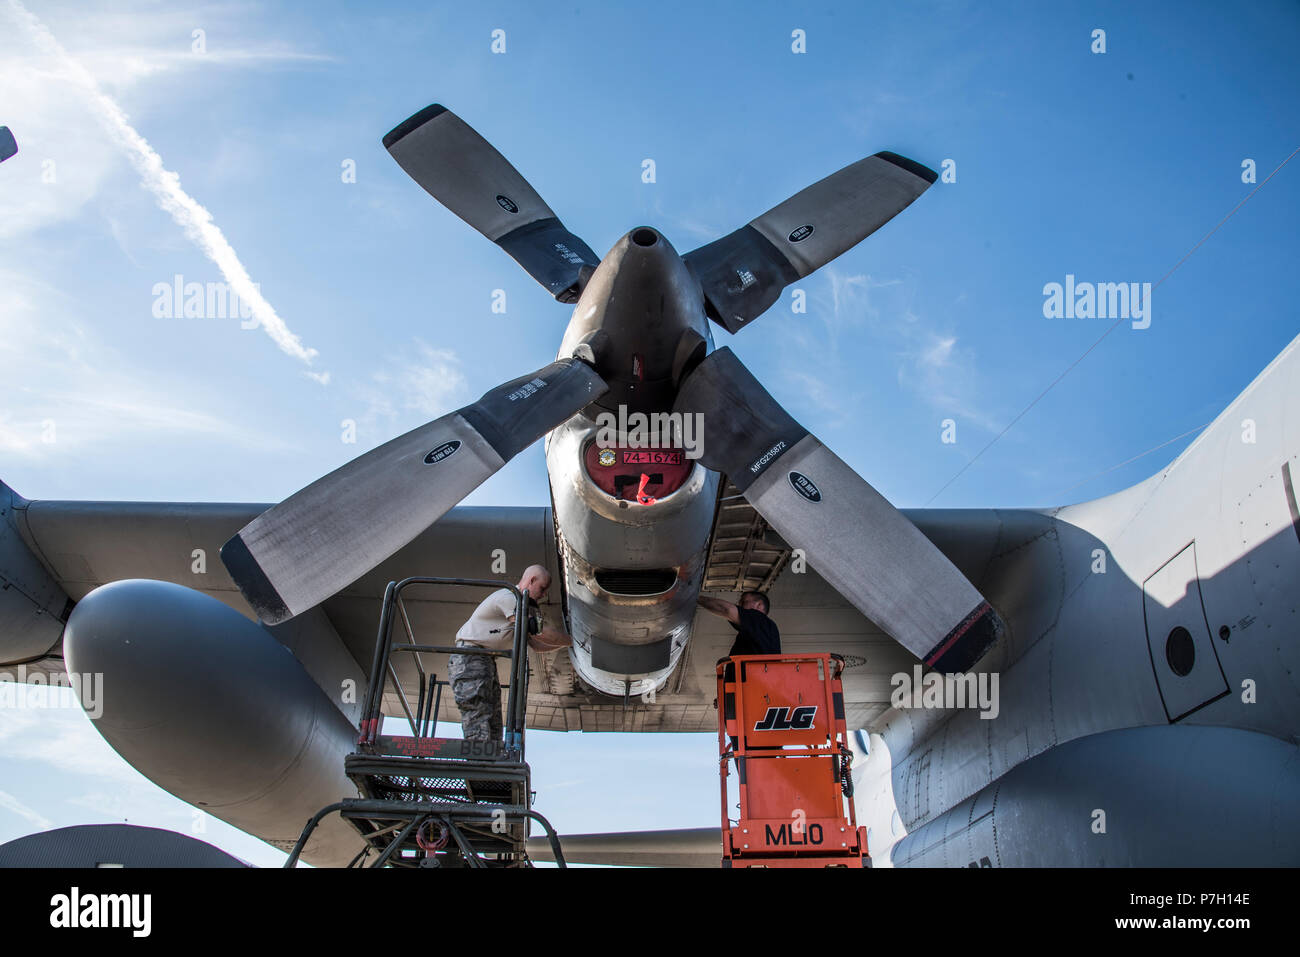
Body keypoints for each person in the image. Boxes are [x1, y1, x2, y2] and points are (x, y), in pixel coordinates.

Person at [450, 565, 571, 743]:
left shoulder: (521, 609)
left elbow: (536, 644)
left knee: (494, 722)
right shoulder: (509, 598)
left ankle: (490, 760)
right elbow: (540, 632)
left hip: (485, 661)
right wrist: (574, 641)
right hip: (470, 658)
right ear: (531, 581)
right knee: (478, 716)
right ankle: (479, 758)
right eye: (542, 588)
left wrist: (566, 645)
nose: (543, 594)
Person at [697, 590, 780, 658]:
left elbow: (726, 609)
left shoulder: (759, 619)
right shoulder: (764, 629)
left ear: (759, 605)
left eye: (743, 602)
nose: (739, 605)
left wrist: (695, 598)